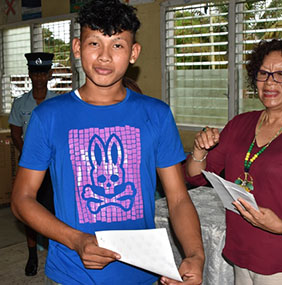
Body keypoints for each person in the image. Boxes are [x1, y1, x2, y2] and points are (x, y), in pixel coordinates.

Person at [11, 1, 204, 284]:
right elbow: (21, 199)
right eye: (94, 43)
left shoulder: (156, 114)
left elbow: (177, 199)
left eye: (117, 45)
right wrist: (76, 240)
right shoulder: (48, 116)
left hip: (143, 269)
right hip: (73, 273)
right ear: (77, 47)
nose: (104, 57)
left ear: (133, 53)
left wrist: (196, 254)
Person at [185, 39, 282, 285]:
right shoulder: (240, 124)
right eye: (263, 73)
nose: (270, 82)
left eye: (281, 74)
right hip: (243, 252)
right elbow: (196, 176)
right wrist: (199, 151)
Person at [8, 52, 57, 276]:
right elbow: (16, 133)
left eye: (43, 73)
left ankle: (57, 251)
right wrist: (29, 155)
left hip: (54, 167)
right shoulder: (20, 104)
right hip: (30, 166)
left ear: (50, 75)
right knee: (28, 209)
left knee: (56, 209)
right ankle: (32, 256)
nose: (39, 78)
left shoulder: (58, 102)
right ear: (29, 75)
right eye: (35, 73)